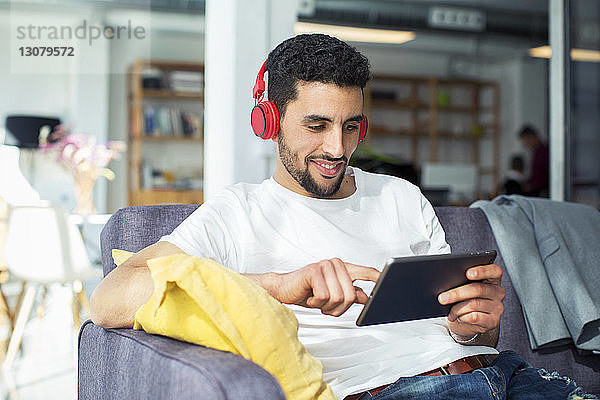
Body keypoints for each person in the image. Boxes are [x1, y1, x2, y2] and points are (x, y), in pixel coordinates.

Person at [90, 34, 596, 400]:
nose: (337, 148)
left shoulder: (401, 196)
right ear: (269, 121)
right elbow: (107, 301)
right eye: (316, 125)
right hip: (393, 391)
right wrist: (281, 286)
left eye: (350, 127)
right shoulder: (236, 212)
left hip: (504, 374)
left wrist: (475, 325)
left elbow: (465, 331)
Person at [518, 125, 549, 197]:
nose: (526, 145)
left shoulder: (544, 152)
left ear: (532, 137)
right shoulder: (536, 152)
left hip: (544, 192)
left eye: (526, 141)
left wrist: (532, 185)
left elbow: (543, 175)